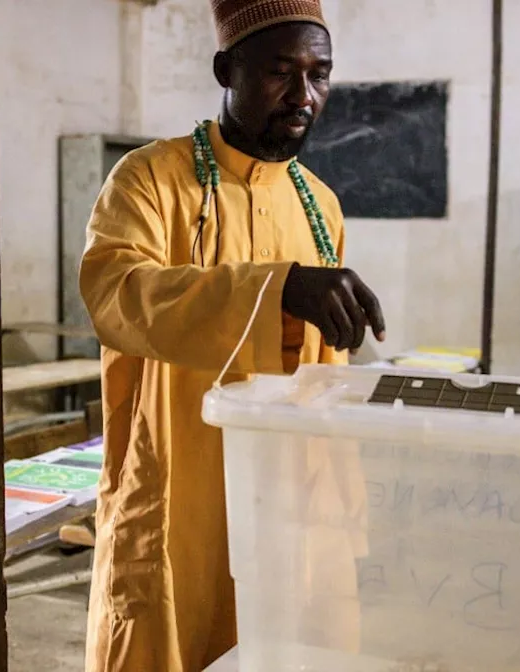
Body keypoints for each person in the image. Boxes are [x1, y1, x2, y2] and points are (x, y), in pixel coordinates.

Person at [77, 1, 385, 669]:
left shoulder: (320, 202)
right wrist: (275, 288)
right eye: (280, 72)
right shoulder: (148, 180)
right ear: (227, 69)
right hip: (181, 482)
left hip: (293, 490)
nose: (303, 96)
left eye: (319, 75)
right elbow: (115, 295)